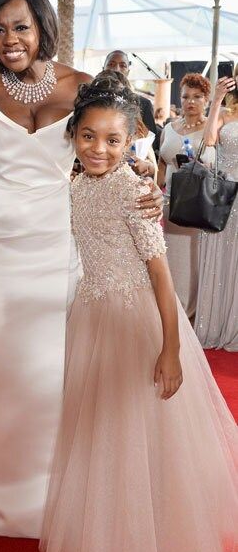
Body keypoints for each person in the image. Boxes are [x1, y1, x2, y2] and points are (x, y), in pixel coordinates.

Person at [0, 0, 162, 538]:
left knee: (52, 366)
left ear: (42, 26)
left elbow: (112, 146)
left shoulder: (80, 85)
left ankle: (56, 491)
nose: (9, 39)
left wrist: (145, 175)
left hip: (58, 238)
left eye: (20, 26)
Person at [39, 75, 238, 552]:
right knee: (102, 422)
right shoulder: (76, 185)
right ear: (74, 136)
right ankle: (109, 518)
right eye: (88, 137)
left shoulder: (134, 193)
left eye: (111, 140)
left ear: (130, 142)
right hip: (92, 311)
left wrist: (171, 348)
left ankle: (153, 521)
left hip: (137, 319)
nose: (98, 148)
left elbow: (161, 275)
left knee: (141, 423)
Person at [157, 73, 214, 319]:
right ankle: (173, 311)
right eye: (185, 96)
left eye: (197, 97)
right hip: (171, 204)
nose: (190, 101)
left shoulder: (211, 130)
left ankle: (192, 313)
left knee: (194, 262)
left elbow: (216, 163)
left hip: (199, 205)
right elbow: (160, 163)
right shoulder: (169, 128)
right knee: (172, 258)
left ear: (207, 100)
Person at [195, 73, 238, 350]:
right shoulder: (225, 112)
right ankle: (216, 323)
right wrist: (217, 100)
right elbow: (209, 141)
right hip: (224, 195)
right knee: (222, 256)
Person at [103, 49, 157, 134]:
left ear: (128, 72)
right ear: (104, 69)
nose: (116, 69)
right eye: (111, 64)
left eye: (123, 65)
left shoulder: (143, 104)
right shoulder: (89, 100)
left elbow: (151, 142)